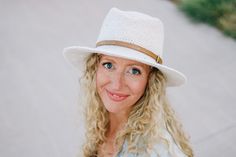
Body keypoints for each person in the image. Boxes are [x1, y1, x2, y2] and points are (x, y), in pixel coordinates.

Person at [63, 7, 194, 157]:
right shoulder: (101, 119)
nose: (117, 84)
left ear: (151, 80)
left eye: (134, 71)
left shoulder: (155, 150)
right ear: (95, 68)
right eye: (109, 65)